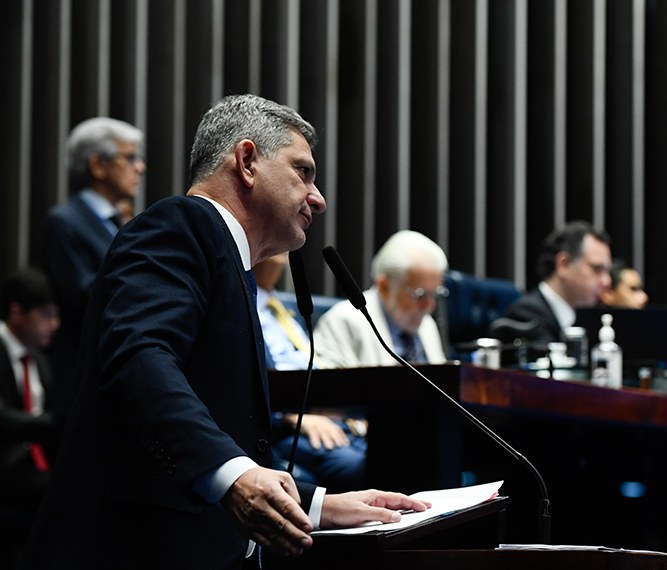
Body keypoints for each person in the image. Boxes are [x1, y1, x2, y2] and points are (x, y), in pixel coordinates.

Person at [21, 94, 429, 568]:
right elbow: (139, 359)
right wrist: (231, 476)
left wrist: (319, 505)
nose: (318, 200)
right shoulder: (181, 225)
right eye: (303, 172)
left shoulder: (229, 260)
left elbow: (222, 423)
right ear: (248, 161)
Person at [38, 117, 146, 424]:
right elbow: (85, 296)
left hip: (120, 375)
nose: (140, 167)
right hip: (84, 381)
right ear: (98, 165)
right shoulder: (64, 222)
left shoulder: (122, 223)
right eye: (130, 157)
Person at [253, 253, 367, 492]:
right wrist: (290, 417)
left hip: (331, 416)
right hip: (285, 427)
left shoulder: (283, 309)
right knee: (363, 466)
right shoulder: (240, 306)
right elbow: (240, 384)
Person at [315, 229, 449, 367]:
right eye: (420, 295)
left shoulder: (426, 324)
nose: (429, 306)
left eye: (435, 294)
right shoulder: (342, 321)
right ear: (385, 286)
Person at [0, 269, 61, 567]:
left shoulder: (39, 359)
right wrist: (54, 423)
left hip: (33, 469)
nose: (54, 324)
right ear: (17, 312)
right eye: (46, 314)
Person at [497, 220, 612, 346]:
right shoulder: (526, 317)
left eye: (607, 271)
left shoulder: (585, 320)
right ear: (564, 265)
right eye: (597, 269)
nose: (606, 281)